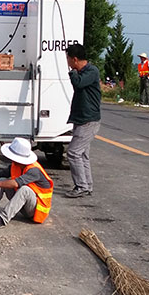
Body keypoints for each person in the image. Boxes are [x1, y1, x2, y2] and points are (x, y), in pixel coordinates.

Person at [0, 137, 54, 231]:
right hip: (24, 205)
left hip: (36, 211)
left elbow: (15, 183)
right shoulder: (17, 165)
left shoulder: (34, 170)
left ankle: (3, 219)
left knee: (24, 190)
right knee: (3, 179)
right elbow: (2, 173)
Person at [64, 43, 101, 197]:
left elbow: (78, 83)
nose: (67, 62)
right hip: (81, 120)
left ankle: (81, 186)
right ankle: (87, 185)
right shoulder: (83, 72)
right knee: (83, 154)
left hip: (88, 120)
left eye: (68, 59)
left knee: (73, 153)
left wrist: (72, 73)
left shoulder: (91, 71)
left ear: (75, 59)